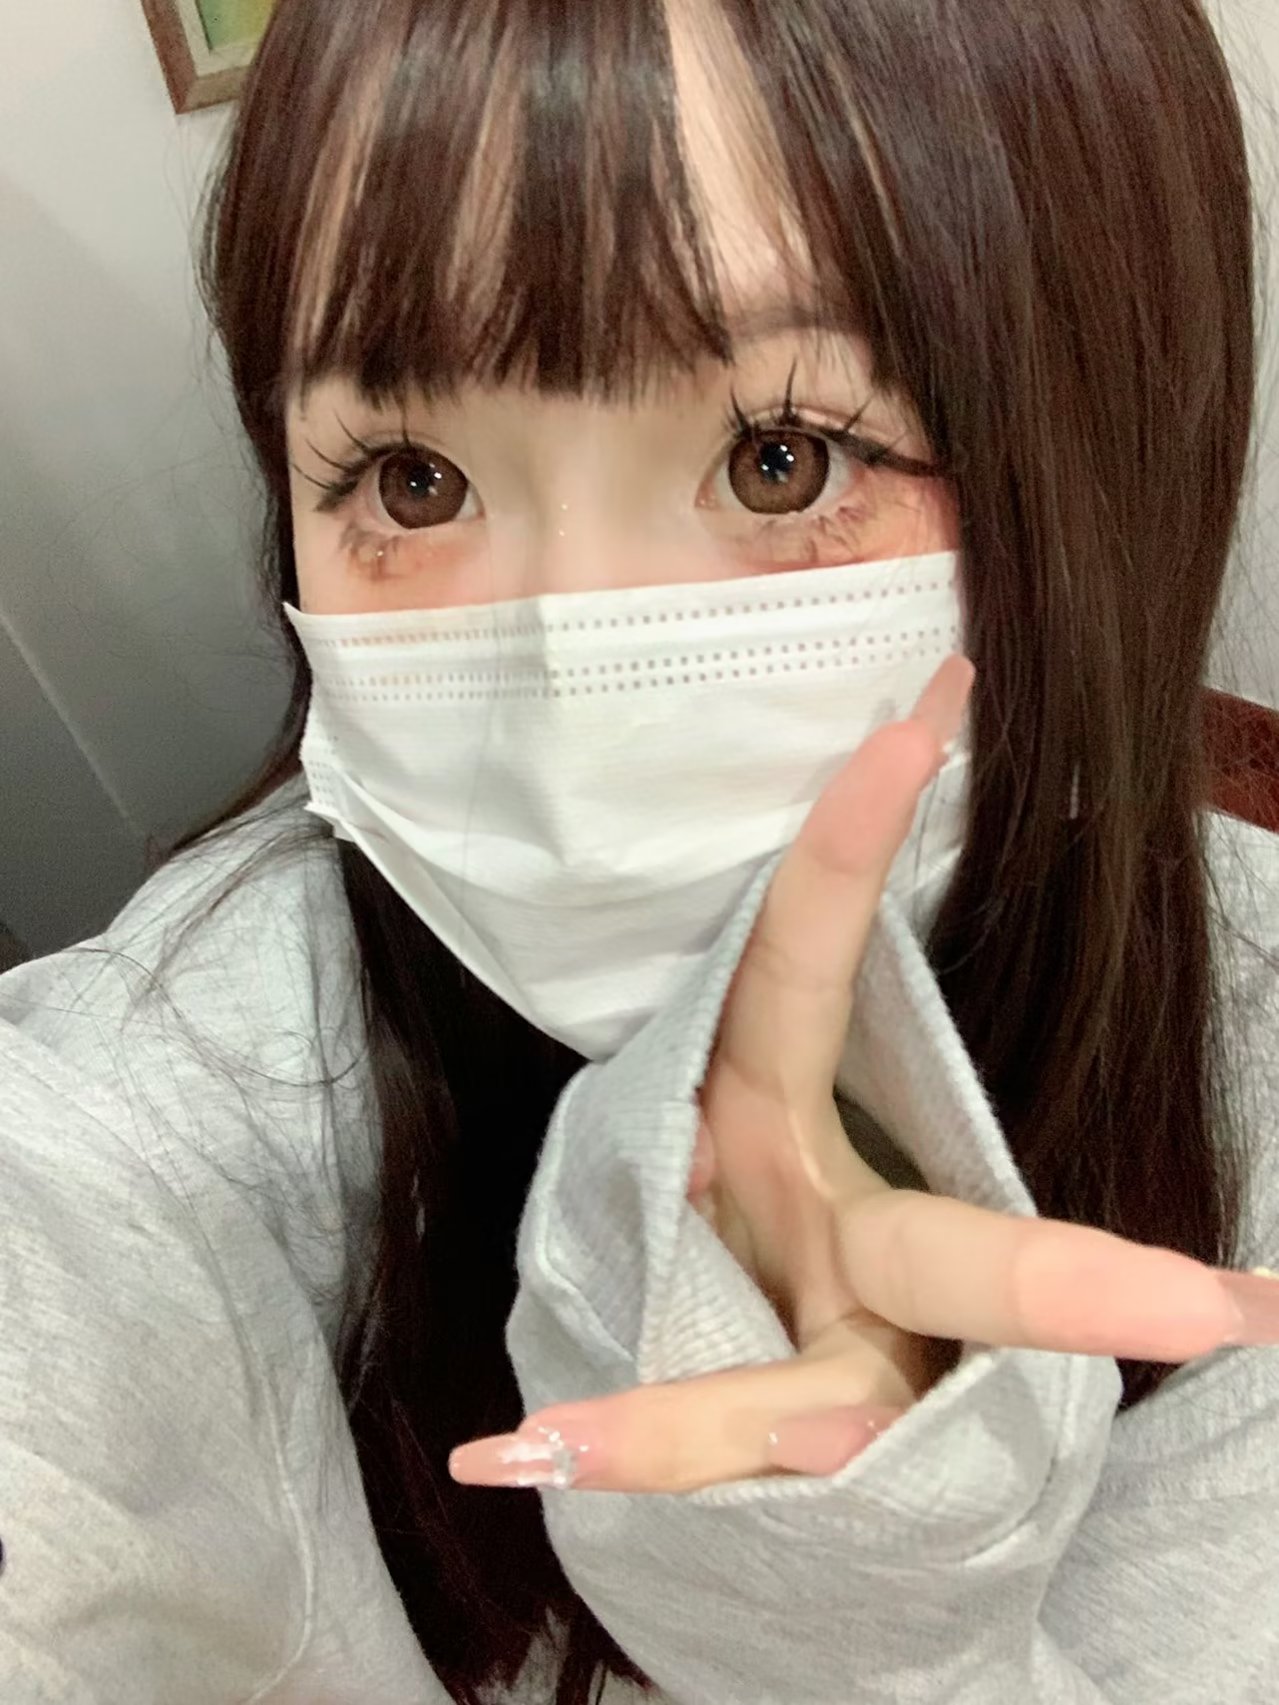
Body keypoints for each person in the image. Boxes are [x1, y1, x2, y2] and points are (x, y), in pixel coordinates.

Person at [2, 0, 1278, 1699]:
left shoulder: (1251, 1072)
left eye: (781, 459)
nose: (565, 690)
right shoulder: (186, 1090)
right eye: (412, 479)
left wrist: (848, 1585)